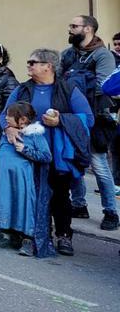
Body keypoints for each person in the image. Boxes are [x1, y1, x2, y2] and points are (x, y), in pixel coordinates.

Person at [2, 48, 93, 257]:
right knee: (31, 194)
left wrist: (61, 120)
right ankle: (34, 234)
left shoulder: (68, 89)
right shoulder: (22, 90)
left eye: (32, 62)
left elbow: (88, 118)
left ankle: (64, 235)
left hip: (57, 154)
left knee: (60, 195)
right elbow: (4, 115)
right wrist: (9, 128)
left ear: (48, 66)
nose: (28, 65)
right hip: (27, 152)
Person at [60, 15, 118, 230]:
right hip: (71, 117)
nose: (70, 29)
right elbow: (58, 80)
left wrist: (75, 84)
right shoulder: (69, 54)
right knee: (73, 162)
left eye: (74, 26)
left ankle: (111, 212)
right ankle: (79, 204)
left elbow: (104, 86)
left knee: (100, 166)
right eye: (70, 25)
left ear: (88, 29)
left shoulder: (103, 56)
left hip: (96, 118)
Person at [0, 101, 53, 257]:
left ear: (22, 120)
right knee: (5, 203)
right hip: (3, 178)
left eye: (10, 116)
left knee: (22, 206)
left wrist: (25, 150)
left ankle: (26, 239)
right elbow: (1, 149)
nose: (6, 118)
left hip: (22, 180)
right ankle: (5, 234)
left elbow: (46, 156)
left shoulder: (34, 134)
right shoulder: (7, 133)